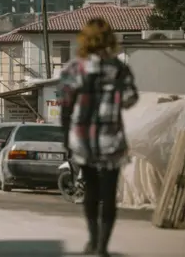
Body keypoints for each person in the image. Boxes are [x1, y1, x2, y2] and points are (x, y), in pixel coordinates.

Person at [58, 17, 139, 257]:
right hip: (110, 138)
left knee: (90, 191)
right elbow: (129, 99)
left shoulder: (74, 69)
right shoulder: (119, 68)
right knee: (109, 193)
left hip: (83, 138)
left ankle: (92, 240)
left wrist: (66, 139)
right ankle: (103, 246)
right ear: (109, 40)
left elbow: (65, 107)